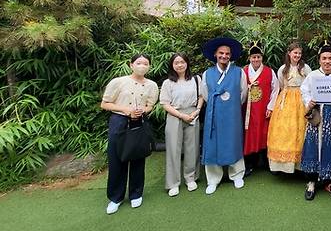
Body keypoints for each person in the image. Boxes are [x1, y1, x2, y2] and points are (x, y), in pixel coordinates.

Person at [100, 54, 159, 214]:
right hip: (119, 122)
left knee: (138, 157)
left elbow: (150, 106)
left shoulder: (152, 85)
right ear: (131, 64)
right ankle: (115, 197)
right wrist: (126, 110)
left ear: (149, 66)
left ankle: (136, 194)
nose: (142, 66)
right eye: (139, 63)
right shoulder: (118, 82)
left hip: (140, 122)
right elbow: (105, 104)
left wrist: (143, 111)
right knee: (117, 158)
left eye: (146, 63)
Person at [200, 37, 248, 194]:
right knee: (212, 143)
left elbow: (243, 94)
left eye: (227, 53)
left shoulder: (239, 72)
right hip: (213, 114)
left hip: (232, 114)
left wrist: (231, 105)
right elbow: (205, 95)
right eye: (221, 53)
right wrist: (218, 105)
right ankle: (213, 179)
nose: (224, 56)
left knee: (233, 141)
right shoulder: (207, 74)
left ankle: (237, 174)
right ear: (215, 54)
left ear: (231, 56)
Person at [300, 42, 331, 200]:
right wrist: (310, 101)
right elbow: (304, 90)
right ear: (319, 60)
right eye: (324, 58)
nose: (327, 61)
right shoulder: (313, 75)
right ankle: (311, 181)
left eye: (330, 58)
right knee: (313, 145)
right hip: (317, 116)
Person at [160, 53, 204, 197]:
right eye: (176, 62)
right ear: (172, 65)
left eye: (182, 62)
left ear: (187, 63)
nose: (179, 65)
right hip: (175, 115)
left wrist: (196, 111)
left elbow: (201, 96)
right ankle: (173, 183)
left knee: (192, 147)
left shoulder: (196, 79)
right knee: (173, 149)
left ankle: (190, 178)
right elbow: (165, 104)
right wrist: (181, 115)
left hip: (192, 114)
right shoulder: (168, 83)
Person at [267, 42, 312, 173]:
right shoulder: (282, 69)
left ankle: (299, 164)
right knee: (284, 130)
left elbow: (309, 84)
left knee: (299, 129)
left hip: (301, 99)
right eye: (295, 52)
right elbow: (281, 84)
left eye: (299, 53)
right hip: (285, 101)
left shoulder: (305, 68)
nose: (297, 55)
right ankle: (282, 165)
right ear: (289, 53)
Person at [242, 43, 279, 175]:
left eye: (258, 57)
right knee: (249, 135)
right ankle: (249, 163)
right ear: (249, 58)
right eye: (253, 57)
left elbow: (276, 90)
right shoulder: (243, 71)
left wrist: (271, 106)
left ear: (262, 57)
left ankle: (265, 162)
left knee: (264, 134)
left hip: (264, 110)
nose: (256, 60)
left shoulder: (269, 72)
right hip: (248, 110)